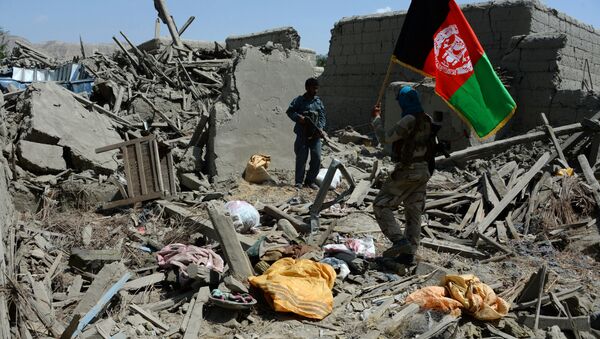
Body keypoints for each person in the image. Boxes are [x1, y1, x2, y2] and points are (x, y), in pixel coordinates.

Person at [370, 86, 436, 266]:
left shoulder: (408, 119)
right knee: (413, 211)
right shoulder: (427, 119)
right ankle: (410, 254)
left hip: (408, 170)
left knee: (380, 205)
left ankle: (400, 242)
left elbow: (386, 138)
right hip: (423, 171)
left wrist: (376, 119)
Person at [286, 77, 326, 189]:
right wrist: (299, 118)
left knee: (317, 158)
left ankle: (310, 181)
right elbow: (290, 112)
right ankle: (299, 182)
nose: (316, 91)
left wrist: (321, 128)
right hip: (302, 135)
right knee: (301, 159)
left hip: (315, 135)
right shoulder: (299, 100)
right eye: (313, 88)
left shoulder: (318, 101)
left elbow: (323, 117)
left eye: (317, 88)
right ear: (307, 88)